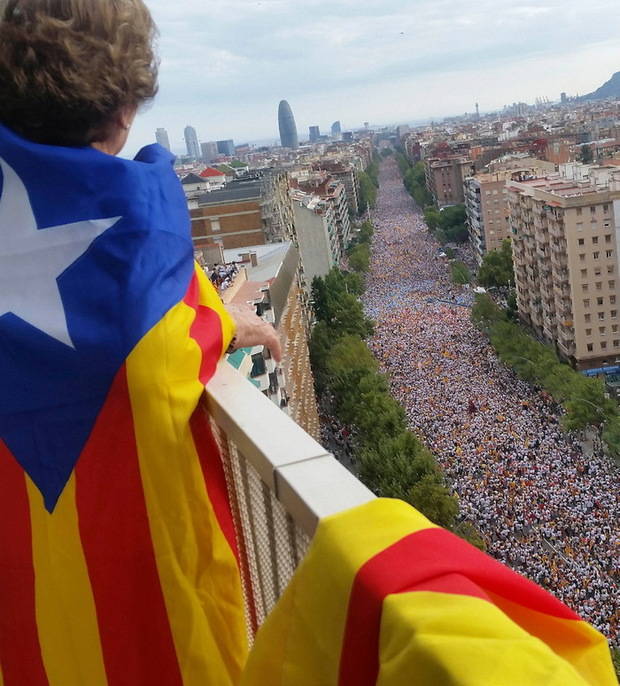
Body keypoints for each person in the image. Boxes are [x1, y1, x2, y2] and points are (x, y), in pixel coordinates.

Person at [0, 1, 277, 684]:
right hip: (143, 624)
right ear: (122, 109)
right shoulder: (139, 235)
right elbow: (169, 344)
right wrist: (225, 317)